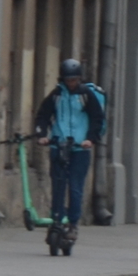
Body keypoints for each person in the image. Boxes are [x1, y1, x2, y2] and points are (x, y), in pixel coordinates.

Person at [31, 57, 108, 238]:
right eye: (68, 80)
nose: (71, 83)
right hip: (59, 145)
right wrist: (42, 135)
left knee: (75, 187)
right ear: (63, 79)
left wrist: (91, 139)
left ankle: (73, 223)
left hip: (80, 149)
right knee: (58, 185)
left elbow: (97, 119)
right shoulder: (56, 95)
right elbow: (42, 115)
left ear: (79, 79)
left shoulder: (85, 95)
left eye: (74, 79)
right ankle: (57, 219)